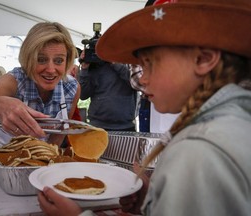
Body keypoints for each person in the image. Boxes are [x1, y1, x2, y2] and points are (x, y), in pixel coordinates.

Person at [37, 0, 251, 215]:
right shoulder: (233, 126)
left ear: (204, 59)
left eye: (149, 64)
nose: (142, 79)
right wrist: (155, 200)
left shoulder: (198, 151)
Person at [0, 22, 80, 149]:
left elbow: (59, 135)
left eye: (58, 61)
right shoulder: (13, 80)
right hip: (0, 160)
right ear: (28, 58)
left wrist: (45, 159)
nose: (50, 69)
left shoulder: (71, 88)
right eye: (41, 59)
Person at [78, 50, 137, 131]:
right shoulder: (94, 65)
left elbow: (136, 82)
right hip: (98, 125)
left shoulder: (129, 58)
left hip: (125, 125)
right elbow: (83, 95)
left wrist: (115, 62)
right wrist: (84, 68)